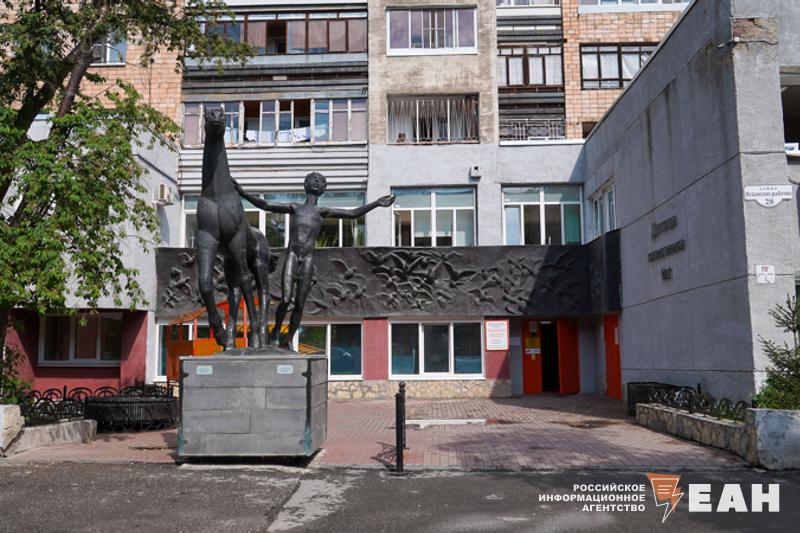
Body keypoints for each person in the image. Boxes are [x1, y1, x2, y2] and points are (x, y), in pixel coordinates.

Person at [232, 172, 395, 347]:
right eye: (314, 180)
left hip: (308, 259)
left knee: (300, 304)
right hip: (292, 255)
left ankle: (289, 339)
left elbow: (353, 213)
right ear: (306, 184)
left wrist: (376, 203)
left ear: (324, 188)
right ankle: (276, 332)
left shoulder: (322, 212)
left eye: (321, 181)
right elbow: (266, 205)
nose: (317, 182)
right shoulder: (295, 208)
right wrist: (243, 193)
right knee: (286, 299)